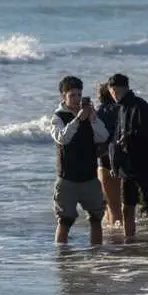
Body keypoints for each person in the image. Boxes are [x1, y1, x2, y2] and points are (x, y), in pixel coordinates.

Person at [50, 76, 109, 245]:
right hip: (67, 179)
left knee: (96, 219)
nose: (76, 99)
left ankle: (96, 257)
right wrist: (77, 120)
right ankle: (62, 260)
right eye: (72, 95)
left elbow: (103, 136)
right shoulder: (58, 117)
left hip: (89, 177)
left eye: (79, 95)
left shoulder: (88, 116)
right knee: (65, 221)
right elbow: (62, 138)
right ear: (64, 97)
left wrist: (93, 118)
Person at [108, 73, 148, 240]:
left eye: (115, 91)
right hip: (127, 168)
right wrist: (115, 164)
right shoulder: (121, 109)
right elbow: (116, 139)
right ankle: (130, 242)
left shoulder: (139, 106)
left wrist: (131, 136)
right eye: (112, 92)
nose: (114, 95)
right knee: (127, 207)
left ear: (124, 88)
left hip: (145, 165)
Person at [95, 83, 123, 228]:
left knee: (111, 207)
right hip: (122, 162)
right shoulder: (122, 110)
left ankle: (116, 243)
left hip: (104, 162)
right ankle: (119, 238)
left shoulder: (97, 113)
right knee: (120, 206)